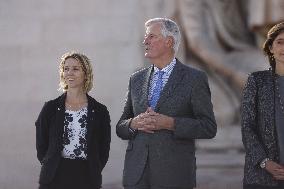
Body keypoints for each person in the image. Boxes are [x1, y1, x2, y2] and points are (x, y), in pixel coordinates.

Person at [116, 18, 217, 189]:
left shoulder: (194, 79)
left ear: (169, 41)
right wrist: (134, 123)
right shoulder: (136, 79)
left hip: (175, 176)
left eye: (151, 37)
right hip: (136, 176)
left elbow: (208, 127)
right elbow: (121, 127)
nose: (145, 41)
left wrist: (171, 123)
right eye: (146, 37)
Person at [36, 52, 111, 189]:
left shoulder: (100, 111)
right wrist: (50, 164)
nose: (70, 73)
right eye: (66, 69)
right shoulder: (50, 108)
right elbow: (41, 145)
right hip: (54, 176)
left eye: (76, 69)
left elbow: (103, 149)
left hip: (87, 177)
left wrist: (94, 168)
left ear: (86, 73)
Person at [242, 22, 284, 189]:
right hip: (262, 176)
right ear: (271, 48)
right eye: (280, 42)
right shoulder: (257, 81)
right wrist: (264, 162)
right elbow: (247, 126)